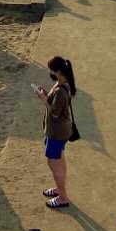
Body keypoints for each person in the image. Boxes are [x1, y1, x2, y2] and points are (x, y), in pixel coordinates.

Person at [37, 56, 75, 209]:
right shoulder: (63, 85)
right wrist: (46, 94)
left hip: (57, 132)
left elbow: (54, 113)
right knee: (59, 159)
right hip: (62, 131)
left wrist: (43, 99)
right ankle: (60, 190)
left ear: (58, 71)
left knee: (53, 162)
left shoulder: (61, 91)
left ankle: (63, 197)